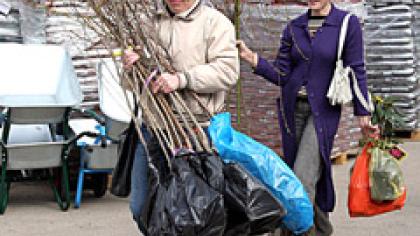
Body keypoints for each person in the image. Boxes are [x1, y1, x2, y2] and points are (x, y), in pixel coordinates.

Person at [237, 0, 378, 235]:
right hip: (292, 111)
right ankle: (322, 228)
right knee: (299, 175)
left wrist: (363, 112)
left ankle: (296, 232)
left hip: (323, 112)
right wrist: (253, 59)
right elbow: (282, 74)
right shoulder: (294, 27)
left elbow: (356, 69)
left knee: (302, 177)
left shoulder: (345, 23)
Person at [123, 0, 239, 233]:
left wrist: (182, 79)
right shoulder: (149, 25)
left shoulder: (214, 23)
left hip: (195, 129)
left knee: (191, 210)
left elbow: (228, 71)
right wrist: (130, 68)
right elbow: (130, 85)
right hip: (153, 127)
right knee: (141, 206)